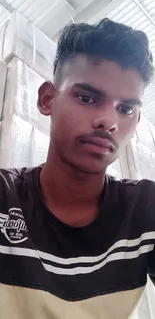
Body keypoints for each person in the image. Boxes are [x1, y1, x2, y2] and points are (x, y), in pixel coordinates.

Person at [0, 18, 155, 319]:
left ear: (135, 123)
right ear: (47, 100)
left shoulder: (145, 211)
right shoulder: (4, 200)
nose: (108, 121)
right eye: (87, 98)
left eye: (125, 109)